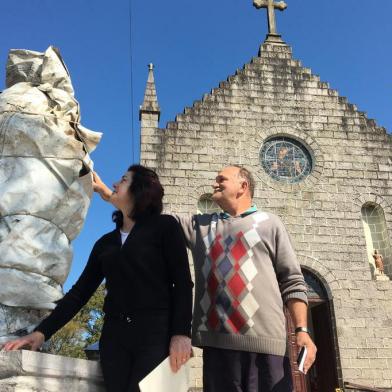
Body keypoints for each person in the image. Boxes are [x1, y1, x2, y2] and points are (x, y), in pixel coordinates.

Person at [93, 165, 317, 392]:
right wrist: (110, 196)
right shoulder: (200, 226)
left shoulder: (270, 223)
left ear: (243, 186)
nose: (214, 184)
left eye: (222, 179)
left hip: (267, 349)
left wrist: (302, 330)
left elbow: (292, 281)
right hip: (217, 350)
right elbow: (149, 214)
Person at [4, 165, 194, 392]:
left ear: (140, 189)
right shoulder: (105, 243)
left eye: (123, 180)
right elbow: (79, 293)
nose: (115, 184)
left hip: (156, 335)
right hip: (114, 339)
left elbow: (182, 283)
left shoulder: (164, 227)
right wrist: (42, 332)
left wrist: (181, 333)